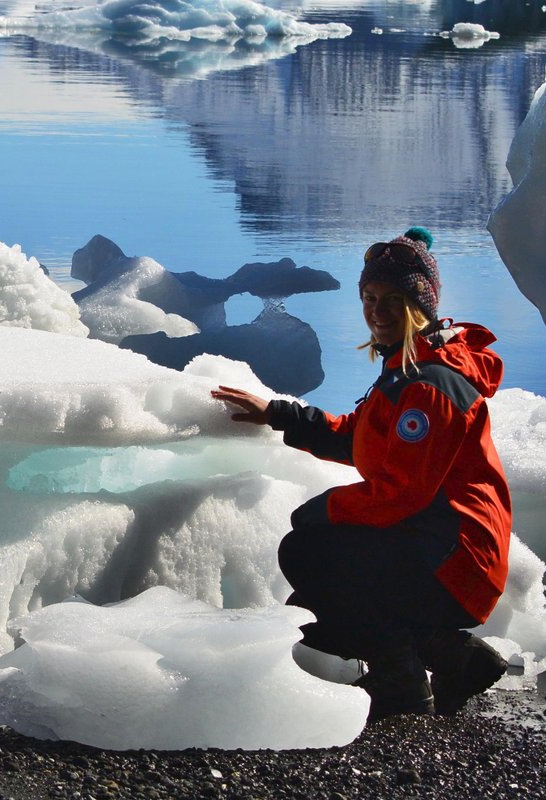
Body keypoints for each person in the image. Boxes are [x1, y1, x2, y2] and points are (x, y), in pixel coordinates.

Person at [211, 227, 511, 723]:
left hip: (457, 560)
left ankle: (402, 682)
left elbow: (403, 493)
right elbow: (360, 439)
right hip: (441, 548)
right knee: (313, 603)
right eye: (370, 298)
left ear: (421, 307)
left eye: (394, 300)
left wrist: (321, 510)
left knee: (308, 553)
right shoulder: (407, 371)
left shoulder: (429, 385)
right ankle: (456, 659)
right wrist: (280, 414)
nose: (378, 311)